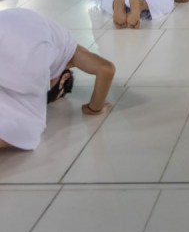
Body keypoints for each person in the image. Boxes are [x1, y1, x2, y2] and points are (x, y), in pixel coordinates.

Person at [0, 8, 115, 151]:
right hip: (27, 44)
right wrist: (95, 108)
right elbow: (106, 69)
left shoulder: (57, 38)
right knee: (25, 126)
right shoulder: (70, 50)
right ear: (63, 79)